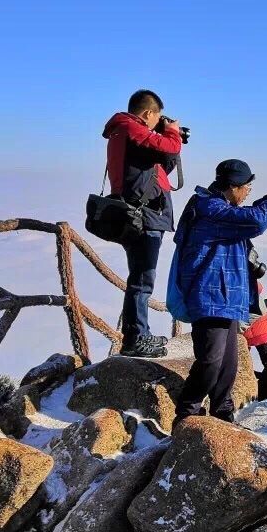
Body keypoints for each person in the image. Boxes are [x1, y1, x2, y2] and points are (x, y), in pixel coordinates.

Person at [171, 160, 267, 427]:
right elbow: (255, 221)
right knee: (211, 359)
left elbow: (244, 217)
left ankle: (222, 409)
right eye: (247, 186)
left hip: (225, 297)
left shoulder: (218, 207)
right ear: (233, 187)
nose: (249, 191)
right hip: (210, 296)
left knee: (228, 362)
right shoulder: (209, 210)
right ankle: (187, 412)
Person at [103, 89, 183, 358]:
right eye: (156, 117)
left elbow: (161, 166)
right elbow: (169, 147)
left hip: (139, 213)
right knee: (142, 280)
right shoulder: (129, 128)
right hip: (142, 216)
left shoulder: (123, 132)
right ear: (148, 113)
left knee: (140, 277)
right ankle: (136, 338)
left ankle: (140, 333)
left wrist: (167, 135)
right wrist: (171, 132)